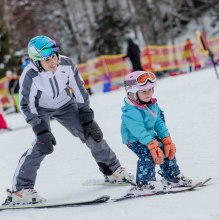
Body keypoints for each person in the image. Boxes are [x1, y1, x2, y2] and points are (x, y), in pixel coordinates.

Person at [3, 35, 135, 205]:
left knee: (92, 133)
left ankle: (112, 170)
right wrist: (40, 129)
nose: (53, 62)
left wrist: (86, 115)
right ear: (36, 62)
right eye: (47, 59)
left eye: (54, 56)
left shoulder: (66, 64)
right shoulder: (29, 75)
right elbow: (26, 105)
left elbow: (79, 88)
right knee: (43, 145)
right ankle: (20, 190)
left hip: (65, 104)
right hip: (40, 108)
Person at [121, 71, 192, 191]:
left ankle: (172, 176)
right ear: (132, 93)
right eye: (144, 91)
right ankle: (145, 182)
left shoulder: (152, 105)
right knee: (148, 154)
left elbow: (159, 122)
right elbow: (138, 130)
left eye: (150, 89)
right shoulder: (131, 111)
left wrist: (166, 139)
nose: (148, 94)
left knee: (166, 149)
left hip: (149, 137)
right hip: (134, 139)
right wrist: (151, 144)